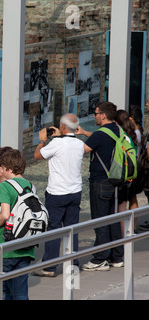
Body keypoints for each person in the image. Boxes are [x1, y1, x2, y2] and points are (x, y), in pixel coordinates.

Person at [33, 114, 84, 277]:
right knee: (72, 228)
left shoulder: (56, 144)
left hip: (57, 193)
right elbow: (66, 145)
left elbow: (37, 155)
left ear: (62, 126)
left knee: (54, 229)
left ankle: (49, 266)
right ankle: (73, 263)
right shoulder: (79, 143)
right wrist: (59, 137)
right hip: (75, 191)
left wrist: (42, 140)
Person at [76, 101, 123, 271]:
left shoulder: (99, 134)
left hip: (100, 181)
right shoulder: (117, 130)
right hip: (115, 180)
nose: (94, 116)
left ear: (103, 115)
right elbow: (100, 140)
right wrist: (84, 133)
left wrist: (64, 138)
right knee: (113, 218)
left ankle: (100, 258)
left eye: (95, 113)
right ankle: (117, 256)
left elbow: (81, 150)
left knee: (100, 220)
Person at [0, 149, 35, 300]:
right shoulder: (30, 186)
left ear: (10, 169)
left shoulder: (6, 186)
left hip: (5, 245)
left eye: (3, 166)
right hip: (25, 245)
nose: (0, 169)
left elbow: (5, 215)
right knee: (20, 293)